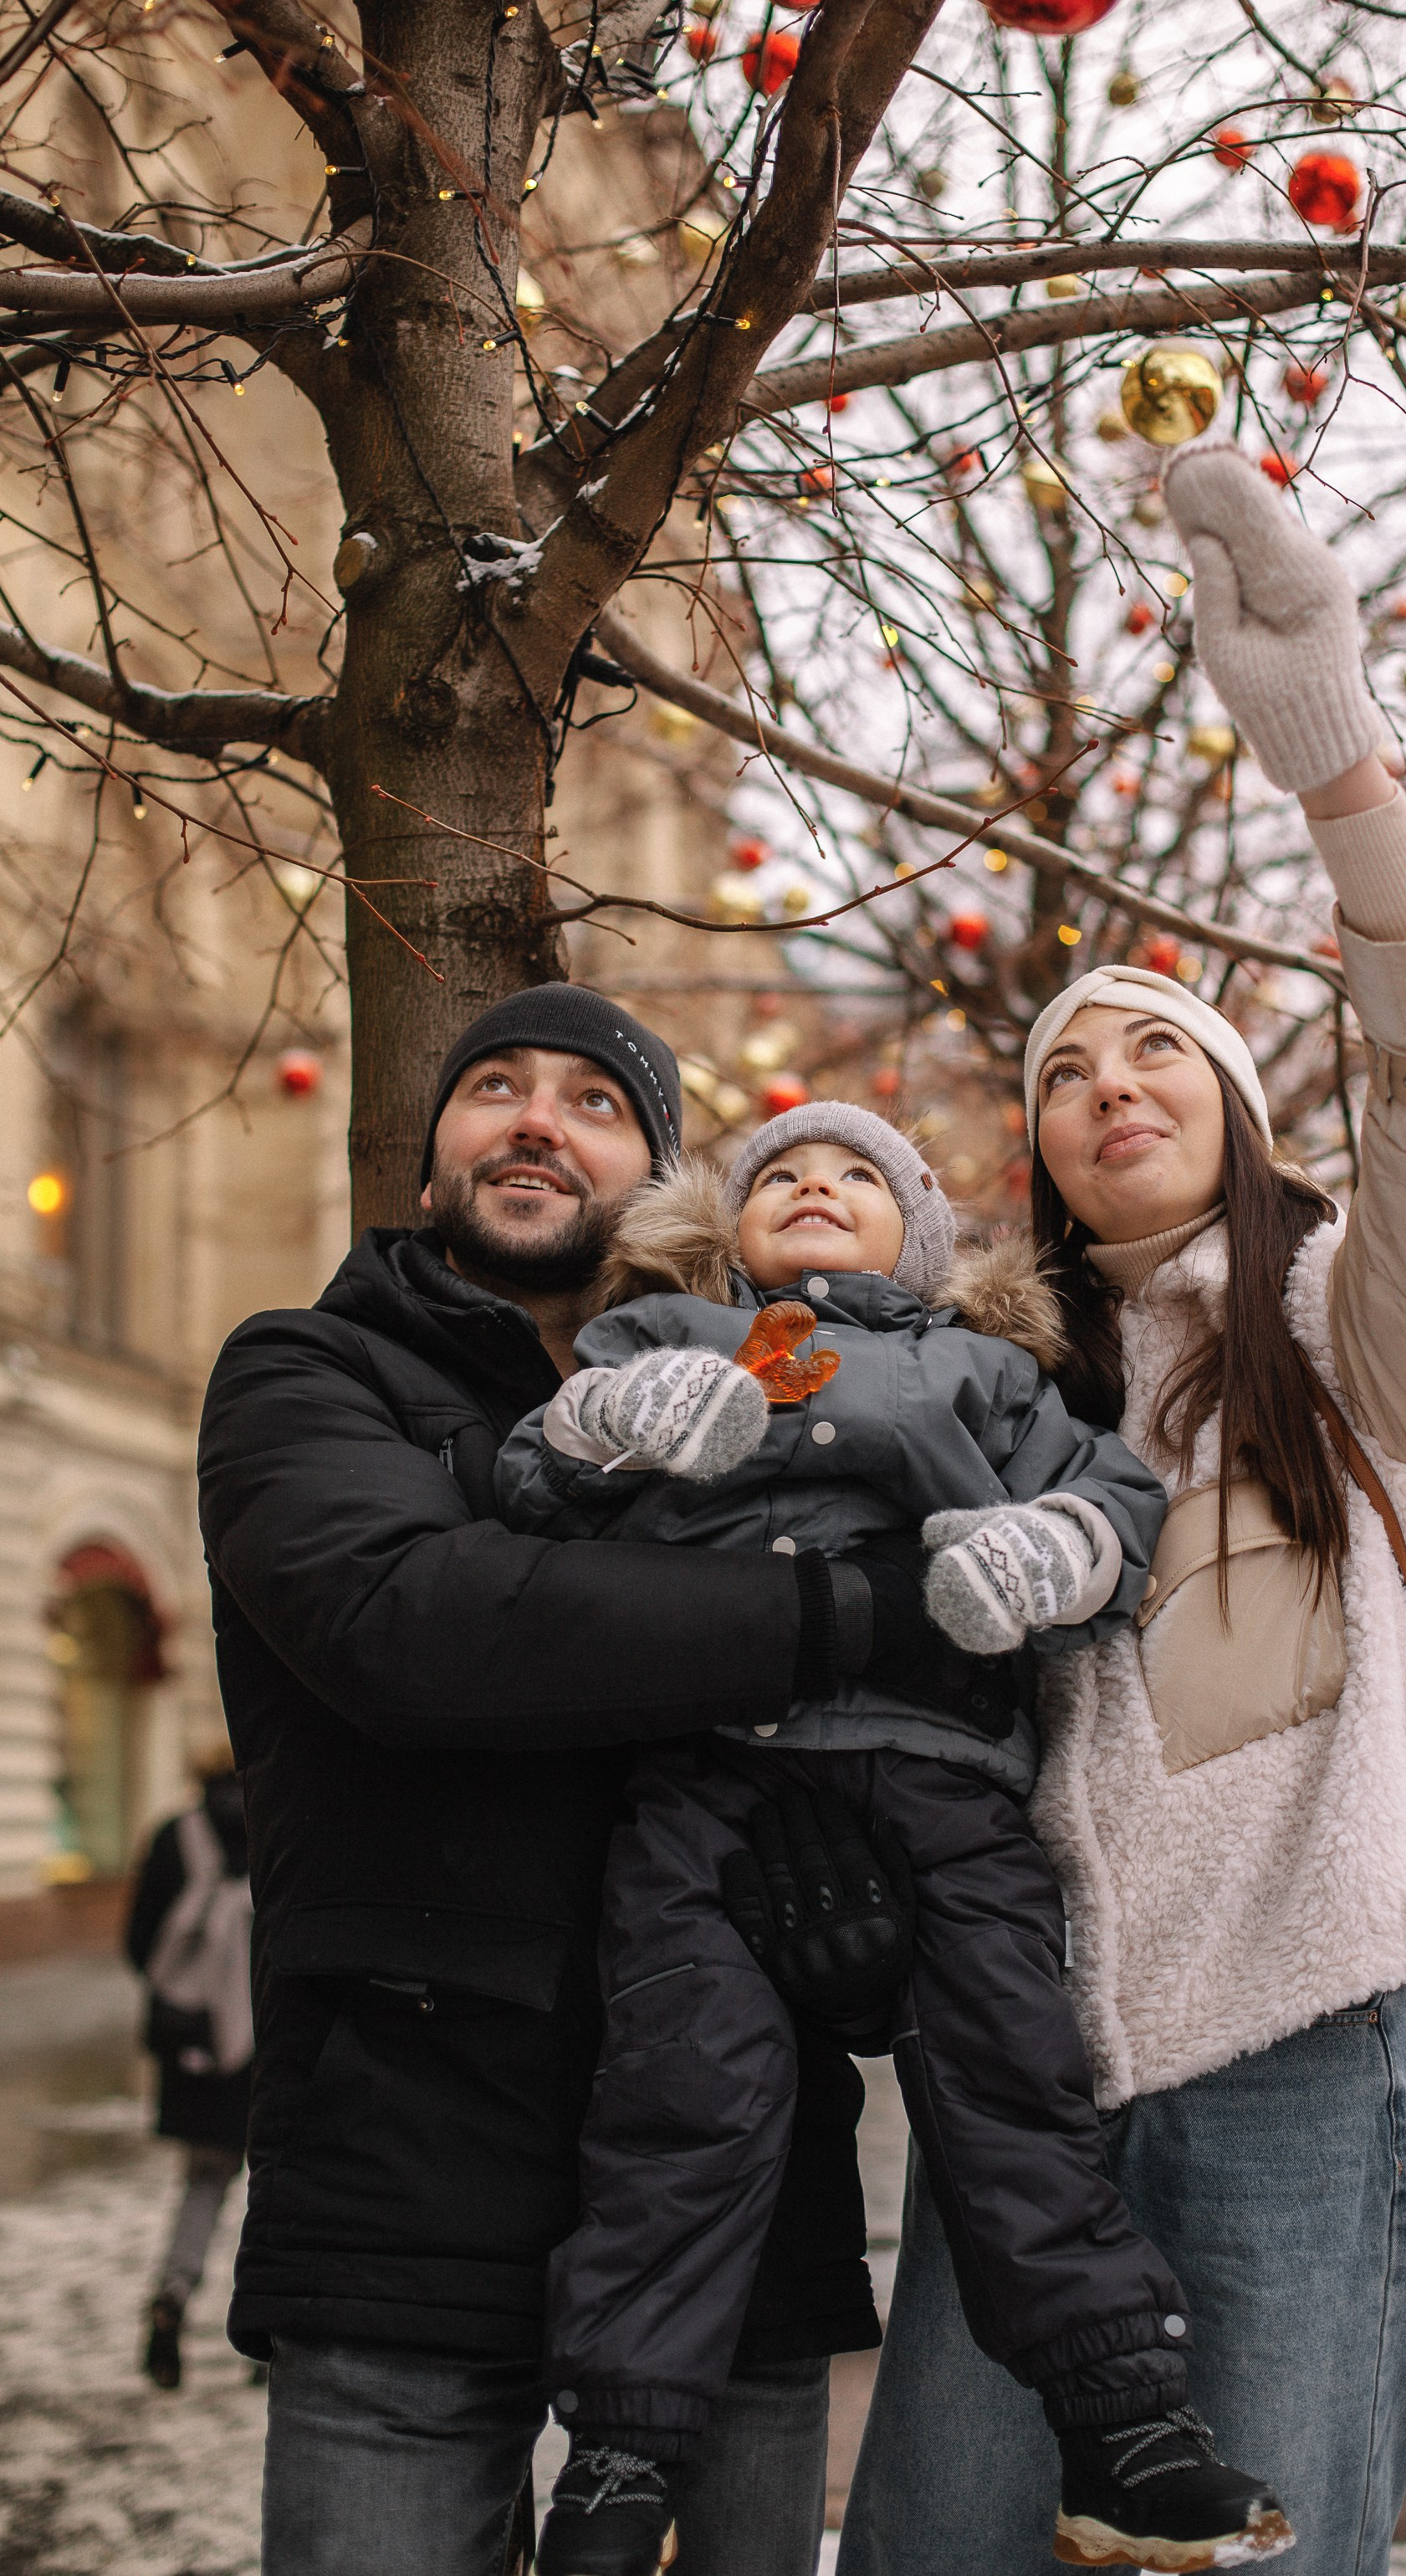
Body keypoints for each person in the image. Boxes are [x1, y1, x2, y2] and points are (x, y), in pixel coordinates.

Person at [839, 448, 1406, 2576]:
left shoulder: (1351, 1331)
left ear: (1234, 1117)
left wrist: (1330, 760)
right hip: (1018, 2075)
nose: (1107, 1089)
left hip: (1290, 2048)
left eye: (1156, 1055)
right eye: (1066, 1072)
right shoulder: (979, 1383)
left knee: (1270, 2549)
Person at [197, 986, 972, 2576]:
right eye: (494, 1087)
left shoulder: (803, 1400)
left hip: (736, 2180)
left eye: (593, 1099)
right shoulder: (307, 1375)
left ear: (659, 1185)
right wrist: (845, 1614)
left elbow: (932, 1740)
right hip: (407, 2165)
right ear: (430, 1168)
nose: (538, 1117)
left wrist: (871, 1946)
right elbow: (414, 1626)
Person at [495, 1103, 1295, 2576]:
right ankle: (619, 2455)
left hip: (943, 1773)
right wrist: (605, 1426)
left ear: (920, 1238)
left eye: (855, 1173)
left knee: (1015, 2081)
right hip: (707, 1781)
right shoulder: (663, 1332)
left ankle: (1124, 2424)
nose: (812, 1184)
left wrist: (1049, 1547)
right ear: (725, 1224)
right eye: (780, 1172)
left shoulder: (981, 1367)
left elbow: (1115, 1501)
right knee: (679, 2100)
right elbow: (531, 1479)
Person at [126, 1741, 253, 2391]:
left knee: (204, 2178)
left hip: (193, 2037)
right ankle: (265, 2336)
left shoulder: (177, 1834)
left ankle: (172, 2296)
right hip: (267, 2040)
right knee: (277, 2185)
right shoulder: (279, 1822)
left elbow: (137, 1939)